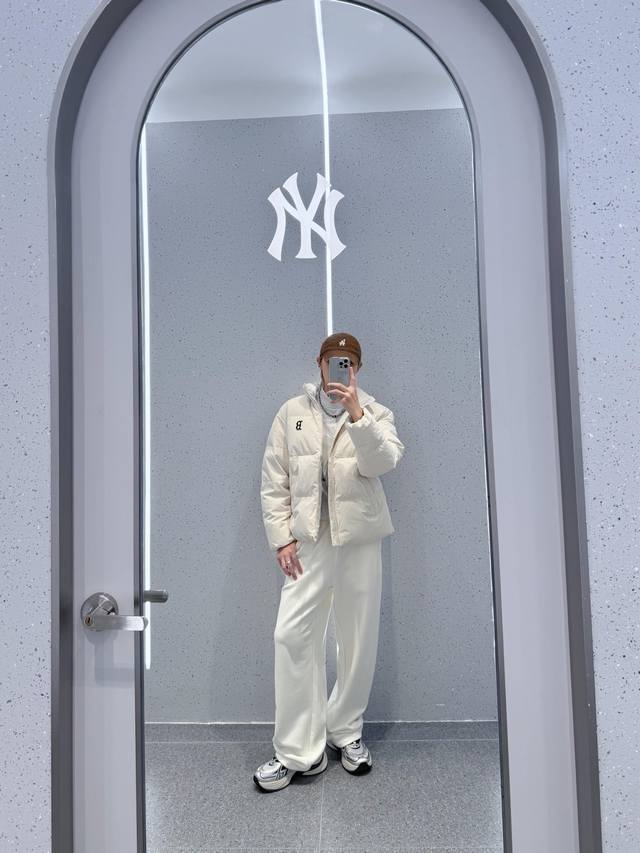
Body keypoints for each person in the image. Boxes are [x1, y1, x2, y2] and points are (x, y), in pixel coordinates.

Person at [253, 332, 405, 792]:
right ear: (318, 362)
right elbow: (274, 478)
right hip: (309, 541)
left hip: (359, 539)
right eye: (334, 360)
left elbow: (384, 462)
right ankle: (299, 751)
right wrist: (281, 539)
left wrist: (358, 415)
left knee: (358, 636)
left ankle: (346, 730)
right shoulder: (291, 413)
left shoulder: (375, 412)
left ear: (357, 369)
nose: (341, 368)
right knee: (292, 635)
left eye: (349, 363)